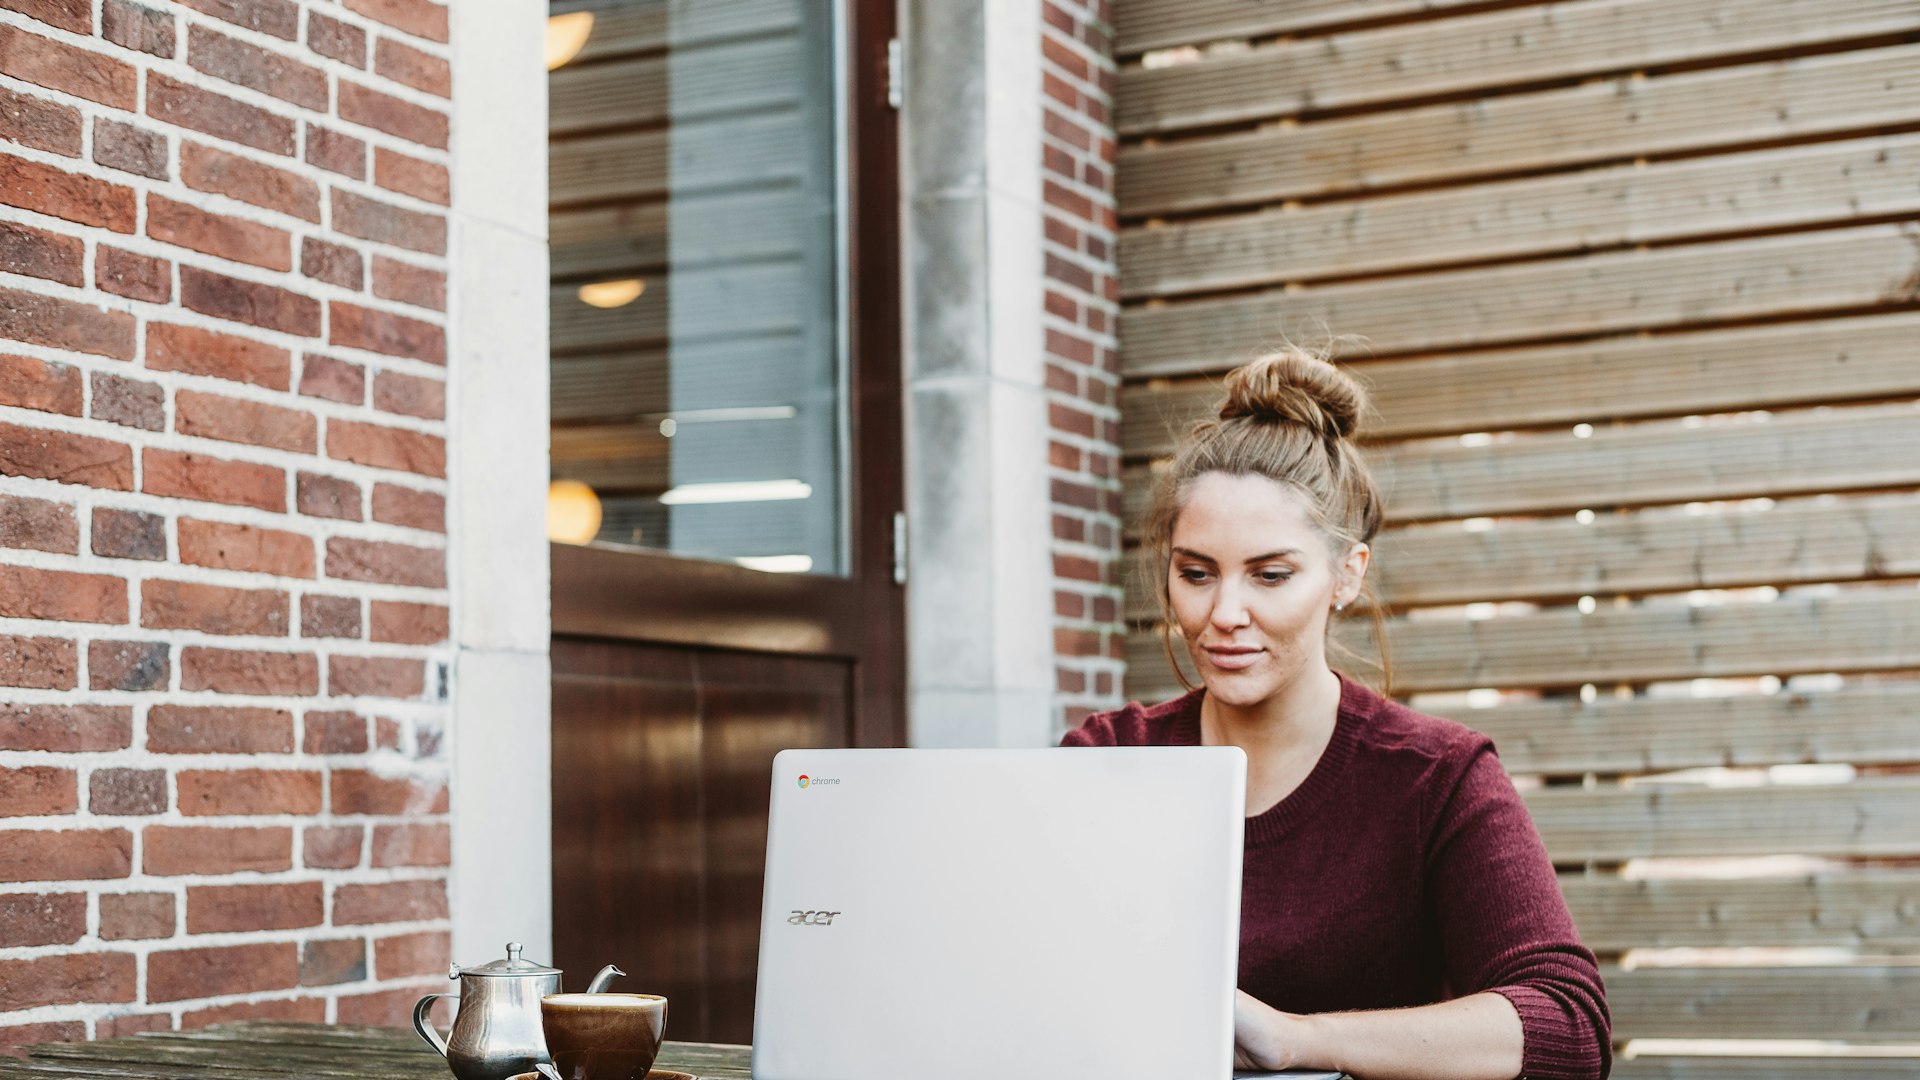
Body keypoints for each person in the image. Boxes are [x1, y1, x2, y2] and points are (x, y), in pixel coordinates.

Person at [1061, 347, 1610, 1080]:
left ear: (1346, 577)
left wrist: (1296, 1039)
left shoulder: (1436, 778)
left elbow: (1569, 1026)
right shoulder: (1106, 760)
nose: (1224, 613)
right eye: (1196, 574)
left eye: (1271, 575)